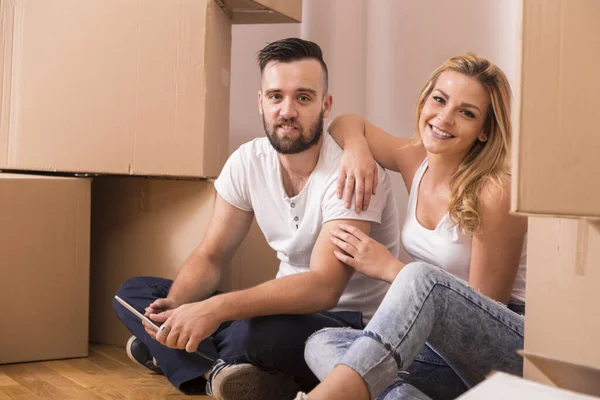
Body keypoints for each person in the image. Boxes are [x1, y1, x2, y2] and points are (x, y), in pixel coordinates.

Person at [112, 38, 401, 400]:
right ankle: (214, 368)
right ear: (260, 102)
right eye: (276, 96)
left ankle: (187, 356)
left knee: (251, 331)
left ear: (325, 105)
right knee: (135, 293)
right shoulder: (247, 162)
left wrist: (214, 309)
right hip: (281, 308)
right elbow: (211, 255)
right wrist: (180, 306)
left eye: (304, 97)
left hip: (345, 325)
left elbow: (325, 287)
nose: (288, 110)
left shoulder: (352, 172)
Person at [297, 53, 528, 400]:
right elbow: (345, 123)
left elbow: (483, 309)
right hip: (442, 348)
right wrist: (357, 151)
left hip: (509, 352)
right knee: (323, 341)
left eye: (467, 113)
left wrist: (391, 269)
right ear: (424, 101)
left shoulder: (495, 191)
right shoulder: (414, 161)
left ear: (484, 132)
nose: (444, 118)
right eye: (440, 99)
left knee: (422, 278)